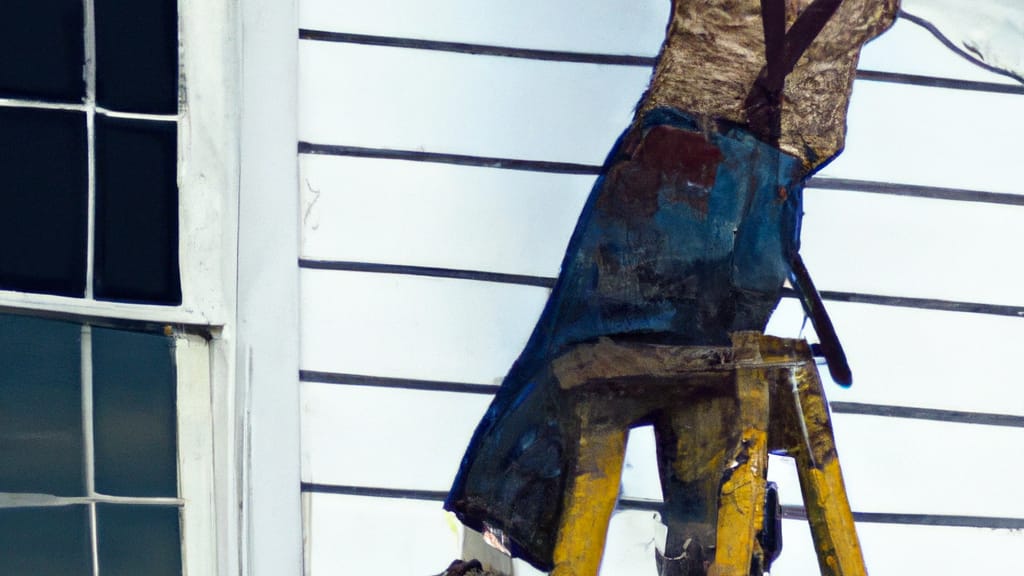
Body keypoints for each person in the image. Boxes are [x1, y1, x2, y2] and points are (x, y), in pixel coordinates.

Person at [446, 0, 899, 571]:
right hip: (769, 196)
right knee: (703, 386)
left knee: (570, 362)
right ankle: (704, 549)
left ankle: (489, 555)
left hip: (681, 169)